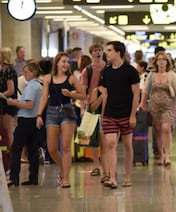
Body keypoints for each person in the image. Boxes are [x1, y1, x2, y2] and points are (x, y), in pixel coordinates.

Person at [36, 52, 86, 188]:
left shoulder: (71, 78)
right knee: (51, 148)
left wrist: (70, 94)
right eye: (63, 61)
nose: (66, 64)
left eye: (67, 62)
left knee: (65, 147)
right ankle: (63, 170)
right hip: (51, 112)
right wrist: (39, 115)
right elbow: (44, 97)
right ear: (57, 63)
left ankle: (66, 179)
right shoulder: (48, 78)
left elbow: (83, 95)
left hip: (67, 112)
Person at [101, 41, 140, 188]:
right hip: (110, 114)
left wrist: (133, 115)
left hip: (126, 114)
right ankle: (112, 177)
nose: (107, 53)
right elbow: (105, 94)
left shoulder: (130, 71)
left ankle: (128, 176)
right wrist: (103, 115)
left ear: (118, 52)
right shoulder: (106, 72)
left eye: (110, 50)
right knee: (110, 144)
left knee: (127, 145)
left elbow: (136, 95)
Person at [141, 52, 176, 166]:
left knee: (166, 128)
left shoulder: (172, 75)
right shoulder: (151, 75)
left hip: (169, 105)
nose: (161, 62)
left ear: (167, 62)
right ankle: (160, 154)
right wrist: (143, 103)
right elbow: (145, 90)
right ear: (156, 62)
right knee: (158, 130)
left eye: (163, 60)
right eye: (159, 59)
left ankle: (167, 155)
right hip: (155, 105)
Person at [7, 62, 42, 187]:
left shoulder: (32, 87)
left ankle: (13, 178)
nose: (25, 74)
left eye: (26, 72)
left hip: (26, 120)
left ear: (33, 72)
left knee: (16, 149)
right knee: (32, 149)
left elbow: (29, 105)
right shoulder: (38, 85)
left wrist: (14, 103)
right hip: (34, 121)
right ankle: (33, 177)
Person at [79, 43, 107, 179]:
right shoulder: (87, 70)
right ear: (91, 54)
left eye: (100, 50)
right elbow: (83, 90)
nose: (98, 53)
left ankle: (107, 166)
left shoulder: (108, 68)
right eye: (95, 51)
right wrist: (83, 108)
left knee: (105, 136)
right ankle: (96, 165)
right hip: (92, 105)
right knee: (92, 137)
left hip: (107, 104)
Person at [0, 47, 18, 153]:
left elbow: (11, 90)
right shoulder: (2, 70)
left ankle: (13, 157)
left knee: (8, 131)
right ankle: (4, 157)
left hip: (7, 104)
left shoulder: (9, 71)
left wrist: (1, 95)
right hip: (2, 103)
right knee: (3, 132)